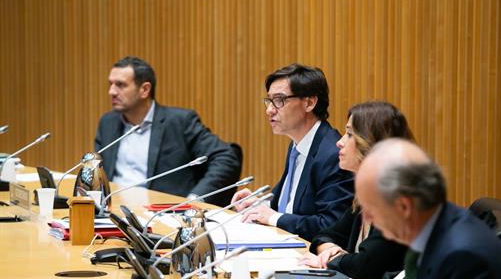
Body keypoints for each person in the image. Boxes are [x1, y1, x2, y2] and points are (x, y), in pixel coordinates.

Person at [279, 139, 501, 279]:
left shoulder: (463, 257)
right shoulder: (438, 228)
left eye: (371, 207)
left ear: (403, 207)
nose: (366, 217)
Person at [95, 56, 241, 206]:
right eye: (110, 84)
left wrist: (194, 200)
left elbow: (226, 157)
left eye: (120, 85)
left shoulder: (180, 122)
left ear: (145, 89)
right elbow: (99, 174)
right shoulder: (108, 123)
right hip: (113, 212)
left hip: (160, 214)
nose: (111, 91)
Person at [231, 63, 354, 241]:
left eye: (279, 100)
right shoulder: (298, 145)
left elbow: (330, 224)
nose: (269, 110)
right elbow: (292, 207)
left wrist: (272, 217)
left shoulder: (332, 154)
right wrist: (259, 205)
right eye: (269, 100)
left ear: (309, 103)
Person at [299, 102, 411, 279]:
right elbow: (324, 235)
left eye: (349, 134)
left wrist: (331, 261)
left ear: (373, 144)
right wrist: (329, 249)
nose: (339, 142)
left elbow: (365, 265)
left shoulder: (396, 200)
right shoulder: (367, 194)